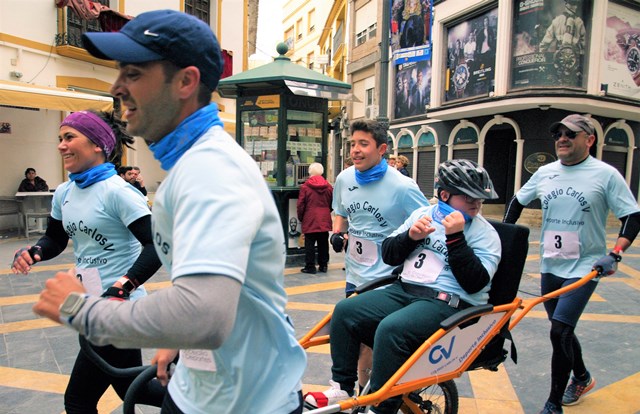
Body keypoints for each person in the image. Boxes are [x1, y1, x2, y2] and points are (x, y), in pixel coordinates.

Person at [32, 10, 306, 414]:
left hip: (244, 404)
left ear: (185, 81)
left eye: (134, 73)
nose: (117, 87)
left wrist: (82, 309)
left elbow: (204, 315)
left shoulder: (210, 170)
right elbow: (208, 288)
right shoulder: (192, 164)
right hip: (204, 391)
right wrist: (178, 338)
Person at [305, 159, 502, 412]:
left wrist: (456, 239)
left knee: (391, 328)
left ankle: (380, 406)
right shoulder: (422, 215)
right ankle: (342, 386)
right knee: (345, 310)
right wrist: (410, 237)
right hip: (405, 289)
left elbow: (475, 284)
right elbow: (389, 254)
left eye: (479, 199)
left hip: (448, 302)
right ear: (444, 195)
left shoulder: (485, 234)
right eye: (468, 197)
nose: (476, 203)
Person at [12, 110, 162, 413]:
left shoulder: (119, 193)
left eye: (69, 137)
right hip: (87, 303)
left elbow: (156, 247)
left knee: (79, 401)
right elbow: (55, 239)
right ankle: (202, 400)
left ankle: (203, 399)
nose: (61, 145)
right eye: (59, 139)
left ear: (97, 144)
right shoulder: (64, 192)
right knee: (131, 388)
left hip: (117, 309)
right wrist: (36, 251)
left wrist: (123, 287)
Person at [503, 114, 640, 414]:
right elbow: (517, 201)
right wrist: (503, 237)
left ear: (589, 140)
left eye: (571, 134)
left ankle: (553, 403)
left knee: (559, 331)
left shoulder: (605, 174)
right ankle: (582, 376)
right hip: (551, 264)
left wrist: (615, 253)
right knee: (561, 328)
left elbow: (632, 216)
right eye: (558, 134)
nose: (562, 139)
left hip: (587, 266)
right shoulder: (545, 172)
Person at [328, 119, 428, 393]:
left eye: (363, 144)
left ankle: (365, 394)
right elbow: (341, 213)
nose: (355, 150)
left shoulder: (402, 187)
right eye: (352, 144)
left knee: (371, 342)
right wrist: (337, 233)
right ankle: (355, 391)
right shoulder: (344, 178)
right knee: (352, 334)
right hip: (355, 274)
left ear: (382, 148)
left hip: (387, 279)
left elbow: (427, 223)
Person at [297, 162, 333, 274]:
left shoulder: (305, 187)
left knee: (310, 243)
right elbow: (332, 203)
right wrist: (327, 212)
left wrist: (301, 217)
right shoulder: (328, 186)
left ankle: (310, 266)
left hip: (310, 217)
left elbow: (301, 204)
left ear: (310, 172)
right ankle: (323, 265)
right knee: (323, 242)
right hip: (324, 218)